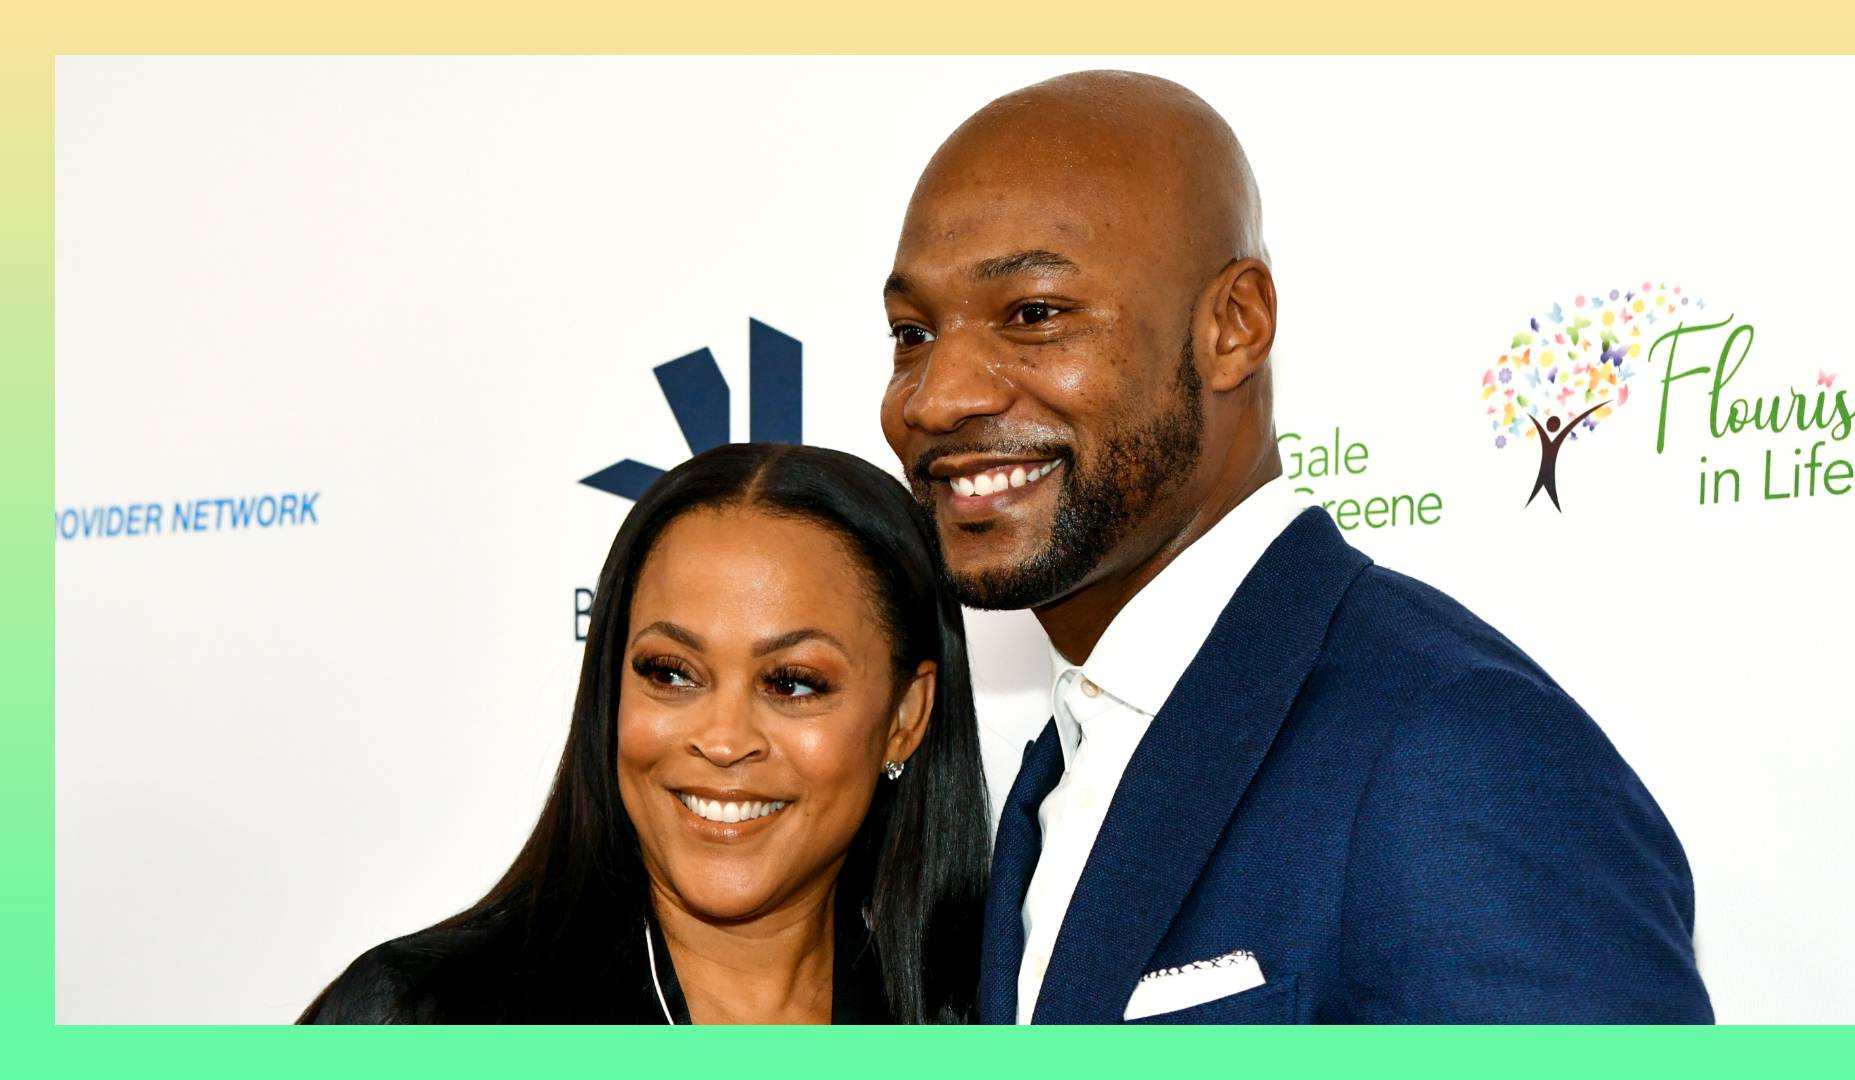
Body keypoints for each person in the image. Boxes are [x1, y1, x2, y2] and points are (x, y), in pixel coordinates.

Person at [879, 70, 1713, 1024]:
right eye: (911, 332)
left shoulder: (1453, 751)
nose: (933, 398)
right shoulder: (1062, 760)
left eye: (1033, 314)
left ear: (1235, 326)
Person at [300, 444, 991, 1023]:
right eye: (672, 673)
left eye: (792, 683)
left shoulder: (981, 1018)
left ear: (904, 718)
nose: (722, 740)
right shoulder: (425, 1019)